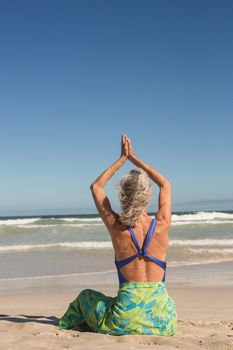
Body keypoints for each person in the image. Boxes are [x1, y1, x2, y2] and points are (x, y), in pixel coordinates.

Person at [57, 134, 177, 336]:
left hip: (123, 320)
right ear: (148, 195)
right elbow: (165, 184)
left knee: (86, 296)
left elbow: (96, 187)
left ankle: (65, 326)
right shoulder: (162, 224)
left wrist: (122, 159)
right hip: (164, 321)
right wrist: (135, 158)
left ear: (122, 195)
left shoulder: (116, 226)